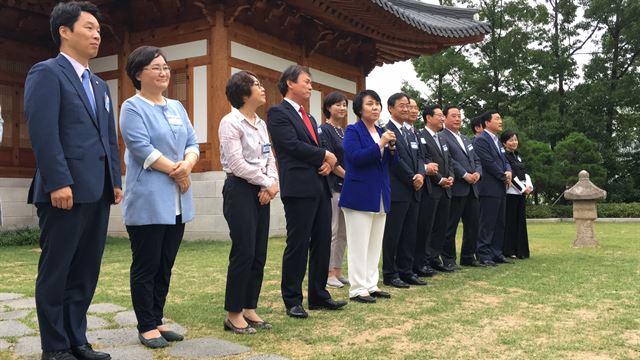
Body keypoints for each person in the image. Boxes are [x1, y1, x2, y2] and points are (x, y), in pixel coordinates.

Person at [24, 2, 122, 359]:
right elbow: (44, 132)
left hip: (97, 190)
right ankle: (55, 347)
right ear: (65, 31)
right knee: (57, 271)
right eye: (89, 27)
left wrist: (115, 177)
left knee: (84, 272)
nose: (97, 34)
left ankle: (77, 340)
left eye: (99, 29)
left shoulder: (98, 84)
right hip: (63, 191)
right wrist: (57, 181)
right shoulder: (46, 73)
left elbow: (107, 136)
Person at [120, 46, 198, 348]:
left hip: (177, 201)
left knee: (165, 264)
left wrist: (188, 164)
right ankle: (146, 324)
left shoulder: (177, 106)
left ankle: (157, 317)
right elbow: (141, 148)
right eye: (156, 67)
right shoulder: (132, 107)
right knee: (146, 264)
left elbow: (191, 141)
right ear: (139, 74)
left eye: (165, 66)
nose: (164, 72)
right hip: (149, 199)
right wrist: (178, 172)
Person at [267, 65, 347, 319]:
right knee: (298, 244)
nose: (311, 87)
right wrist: (324, 155)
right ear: (290, 83)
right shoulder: (278, 113)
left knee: (323, 242)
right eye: (307, 82)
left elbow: (319, 144)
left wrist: (327, 162)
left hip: (320, 187)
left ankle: (318, 295)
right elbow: (289, 145)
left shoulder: (311, 118)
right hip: (299, 188)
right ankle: (292, 299)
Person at [219, 71, 279, 334]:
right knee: (243, 251)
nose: (262, 88)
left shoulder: (261, 123)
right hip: (240, 189)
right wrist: (265, 182)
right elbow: (236, 163)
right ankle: (233, 313)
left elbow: (270, 157)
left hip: (262, 189)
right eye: (256, 85)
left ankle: (249, 307)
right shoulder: (230, 122)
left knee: (259, 252)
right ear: (243, 93)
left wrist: (272, 182)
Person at [340, 89, 396, 303]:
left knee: (374, 244)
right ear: (359, 109)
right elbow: (355, 158)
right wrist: (380, 144)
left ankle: (371, 284)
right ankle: (357, 288)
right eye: (370, 103)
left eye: (377, 104)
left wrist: (391, 149)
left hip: (380, 194)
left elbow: (390, 164)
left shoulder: (381, 130)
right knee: (359, 244)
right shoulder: (353, 130)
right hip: (359, 195)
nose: (375, 107)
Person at [382, 93, 427, 288]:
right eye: (402, 106)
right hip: (398, 188)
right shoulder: (387, 131)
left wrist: (420, 174)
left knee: (410, 232)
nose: (407, 109)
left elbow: (419, 157)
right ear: (391, 108)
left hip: (414, 189)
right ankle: (391, 273)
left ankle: (406, 271)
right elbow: (395, 160)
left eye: (408, 106)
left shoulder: (411, 132)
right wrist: (412, 177)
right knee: (394, 233)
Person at [441, 106, 484, 267]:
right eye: (454, 116)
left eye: (459, 116)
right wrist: (465, 175)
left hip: (473, 188)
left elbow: (477, 159)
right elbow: (450, 160)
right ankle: (448, 259)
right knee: (450, 226)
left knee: (473, 225)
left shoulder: (466, 139)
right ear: (444, 118)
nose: (458, 119)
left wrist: (478, 173)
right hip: (457, 187)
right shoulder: (442, 137)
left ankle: (468, 256)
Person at [414, 105, 455, 273]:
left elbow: (449, 160)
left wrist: (451, 176)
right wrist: (440, 180)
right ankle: (424, 259)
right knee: (427, 226)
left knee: (441, 226)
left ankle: (435, 257)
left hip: (446, 188)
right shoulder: (421, 136)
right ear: (428, 118)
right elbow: (426, 160)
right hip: (432, 188)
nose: (442, 118)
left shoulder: (442, 138)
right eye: (439, 115)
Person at [473, 111, 513, 266]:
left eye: (500, 118)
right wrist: (504, 176)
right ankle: (484, 253)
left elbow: (505, 159)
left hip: (500, 187)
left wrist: (508, 170)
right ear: (487, 122)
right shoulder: (481, 140)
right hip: (488, 187)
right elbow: (487, 162)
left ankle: (497, 252)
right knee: (487, 223)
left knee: (499, 222)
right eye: (497, 119)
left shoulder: (497, 140)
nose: (500, 121)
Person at [318, 91, 349, 289]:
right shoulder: (324, 129)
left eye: (345, 105)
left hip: (348, 188)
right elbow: (329, 159)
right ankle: (327, 273)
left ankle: (337, 270)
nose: (342, 108)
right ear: (328, 107)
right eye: (338, 104)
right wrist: (347, 175)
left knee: (344, 233)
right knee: (332, 231)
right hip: (333, 187)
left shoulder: (345, 132)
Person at [500, 131, 532, 259]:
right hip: (511, 192)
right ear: (504, 143)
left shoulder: (518, 156)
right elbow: (510, 175)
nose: (514, 142)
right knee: (510, 221)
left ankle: (521, 250)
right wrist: (522, 188)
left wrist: (529, 186)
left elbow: (525, 172)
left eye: (515, 140)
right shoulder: (504, 156)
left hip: (521, 192)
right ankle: (509, 249)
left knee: (520, 221)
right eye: (511, 140)